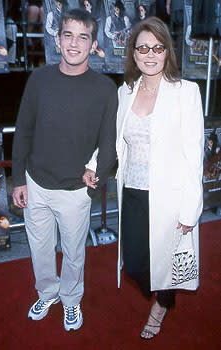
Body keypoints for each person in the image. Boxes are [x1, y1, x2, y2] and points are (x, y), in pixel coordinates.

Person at [85, 16, 204, 340]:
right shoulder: (125, 92)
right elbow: (112, 138)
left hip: (170, 195)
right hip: (133, 191)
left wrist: (190, 209)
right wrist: (95, 164)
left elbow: (195, 155)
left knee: (167, 261)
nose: (150, 55)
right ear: (134, 54)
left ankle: (161, 305)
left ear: (167, 52)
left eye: (157, 48)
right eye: (143, 48)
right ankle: (164, 292)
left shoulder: (186, 92)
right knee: (136, 264)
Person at [12, 9, 117, 332]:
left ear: (94, 44)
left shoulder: (105, 89)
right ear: (57, 41)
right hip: (37, 184)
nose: (74, 43)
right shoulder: (39, 78)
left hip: (75, 192)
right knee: (40, 249)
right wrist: (18, 180)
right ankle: (48, 293)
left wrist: (97, 174)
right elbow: (24, 130)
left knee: (73, 255)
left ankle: (71, 300)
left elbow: (109, 143)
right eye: (68, 35)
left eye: (83, 37)